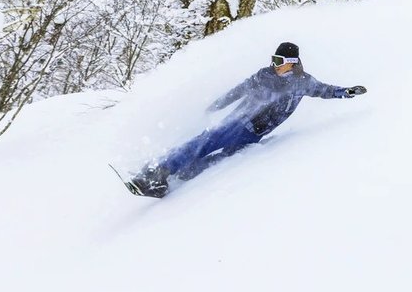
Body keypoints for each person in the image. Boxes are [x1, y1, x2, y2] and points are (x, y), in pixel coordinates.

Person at [125, 42, 366, 198]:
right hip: (238, 122)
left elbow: (325, 90)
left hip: (255, 133)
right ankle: (156, 173)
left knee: (223, 160)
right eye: (273, 59)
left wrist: (347, 92)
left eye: (279, 61)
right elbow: (240, 89)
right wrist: (217, 104)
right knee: (203, 142)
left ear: (292, 63)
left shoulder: (303, 82)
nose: (274, 64)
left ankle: (176, 178)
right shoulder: (265, 75)